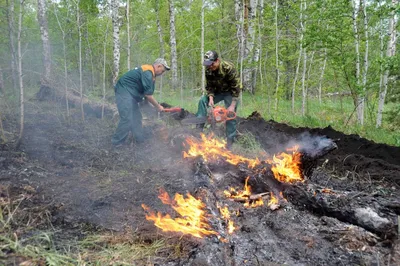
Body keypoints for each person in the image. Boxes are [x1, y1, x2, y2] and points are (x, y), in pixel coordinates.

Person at [111, 58, 170, 146]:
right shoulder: (148, 72)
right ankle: (116, 143)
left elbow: (146, 96)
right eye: (162, 70)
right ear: (159, 66)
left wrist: (152, 108)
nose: (162, 73)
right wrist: (158, 107)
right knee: (127, 118)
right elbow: (148, 96)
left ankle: (139, 140)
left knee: (137, 117)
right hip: (124, 92)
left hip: (131, 95)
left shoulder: (150, 73)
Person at [196, 50, 241, 149]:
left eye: (212, 64)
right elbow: (209, 86)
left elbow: (236, 87)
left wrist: (232, 106)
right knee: (202, 101)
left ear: (217, 61)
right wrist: (211, 98)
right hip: (217, 92)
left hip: (230, 93)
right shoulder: (208, 69)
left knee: (230, 116)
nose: (210, 67)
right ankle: (198, 130)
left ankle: (230, 142)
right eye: (208, 65)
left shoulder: (228, 68)